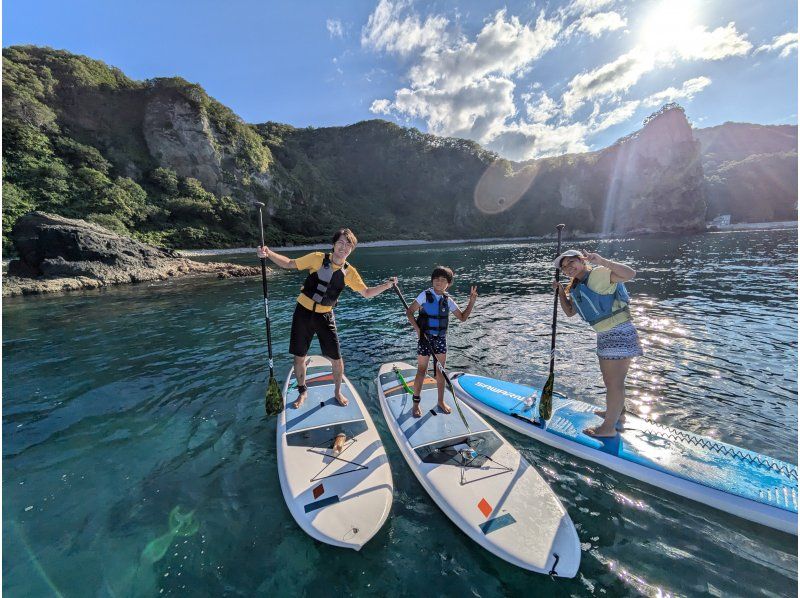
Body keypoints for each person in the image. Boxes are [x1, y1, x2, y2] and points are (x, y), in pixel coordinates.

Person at [257, 228, 397, 420]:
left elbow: (366, 293)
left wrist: (387, 285)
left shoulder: (349, 272)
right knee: (299, 357)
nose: (344, 247)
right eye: (341, 243)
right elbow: (290, 263)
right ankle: (302, 391)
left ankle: (337, 391)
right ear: (334, 244)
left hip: (325, 317)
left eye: (349, 245)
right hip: (303, 313)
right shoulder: (317, 258)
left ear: (352, 250)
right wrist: (268, 253)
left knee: (337, 360)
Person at [551, 250, 643, 437]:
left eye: (571, 263)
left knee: (614, 383)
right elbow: (569, 312)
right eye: (564, 267)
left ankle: (608, 428)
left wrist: (602, 260)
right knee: (610, 381)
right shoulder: (577, 286)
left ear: (582, 260)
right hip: (605, 335)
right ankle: (617, 414)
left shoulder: (599, 273)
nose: (568, 268)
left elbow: (630, 274)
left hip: (618, 332)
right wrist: (561, 292)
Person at [406, 266, 478, 417]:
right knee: (421, 371)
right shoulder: (424, 295)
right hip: (424, 338)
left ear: (449, 284)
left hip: (440, 339)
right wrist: (418, 331)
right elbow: (410, 312)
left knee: (440, 372)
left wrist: (471, 302)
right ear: (432, 280)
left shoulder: (448, 300)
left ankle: (440, 401)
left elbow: (463, 317)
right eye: (436, 279)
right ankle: (415, 404)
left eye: (443, 280)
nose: (439, 282)